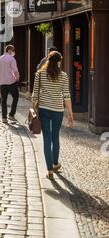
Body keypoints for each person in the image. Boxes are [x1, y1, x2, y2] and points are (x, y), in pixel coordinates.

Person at [32, 51, 74, 180]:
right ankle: (55, 163)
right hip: (58, 111)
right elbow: (66, 95)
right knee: (55, 138)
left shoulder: (40, 74)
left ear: (48, 60)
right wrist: (70, 114)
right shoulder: (63, 76)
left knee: (47, 139)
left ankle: (49, 170)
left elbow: (34, 96)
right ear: (59, 61)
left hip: (44, 110)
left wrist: (35, 109)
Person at [0, 45, 20, 124]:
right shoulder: (11, 58)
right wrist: (17, 77)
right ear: (10, 50)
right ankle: (11, 114)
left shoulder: (0, 58)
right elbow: (15, 69)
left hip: (3, 81)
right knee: (16, 97)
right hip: (11, 81)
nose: (13, 52)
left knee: (4, 100)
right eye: (13, 50)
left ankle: (4, 118)